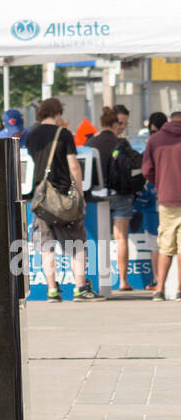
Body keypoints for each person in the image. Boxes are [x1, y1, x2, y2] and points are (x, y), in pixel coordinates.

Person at [26, 97, 104, 302]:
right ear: (57, 113)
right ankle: (80, 288)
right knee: (76, 244)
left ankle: (52, 290)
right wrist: (79, 194)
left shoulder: (31, 136)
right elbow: (74, 167)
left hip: (41, 199)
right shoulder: (64, 134)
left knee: (46, 245)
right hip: (63, 196)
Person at [88, 106, 137, 291]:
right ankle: (124, 281)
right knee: (121, 238)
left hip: (98, 197)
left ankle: (102, 280)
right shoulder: (122, 143)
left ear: (101, 124)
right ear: (115, 124)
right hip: (122, 195)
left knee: (98, 239)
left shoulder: (92, 143)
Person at [141, 110, 181, 301]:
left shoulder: (156, 140)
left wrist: (160, 182)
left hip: (166, 198)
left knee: (165, 244)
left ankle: (160, 288)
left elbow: (146, 169)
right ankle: (180, 289)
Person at [134, 112, 167, 290]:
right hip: (169, 199)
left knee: (156, 245)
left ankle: (158, 281)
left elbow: (145, 171)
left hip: (155, 202)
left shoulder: (151, 146)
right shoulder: (173, 143)